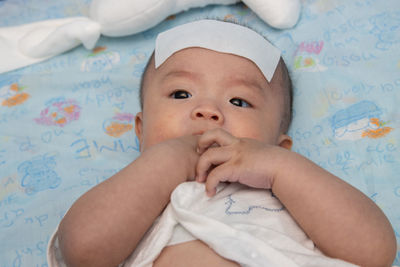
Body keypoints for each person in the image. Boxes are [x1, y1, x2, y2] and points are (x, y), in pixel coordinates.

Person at [47, 20, 397, 267]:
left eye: (239, 101)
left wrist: (281, 170)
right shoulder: (133, 197)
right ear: (141, 129)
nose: (207, 111)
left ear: (280, 145)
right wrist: (166, 161)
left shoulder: (292, 194)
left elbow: (376, 252)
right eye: (181, 94)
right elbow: (82, 251)